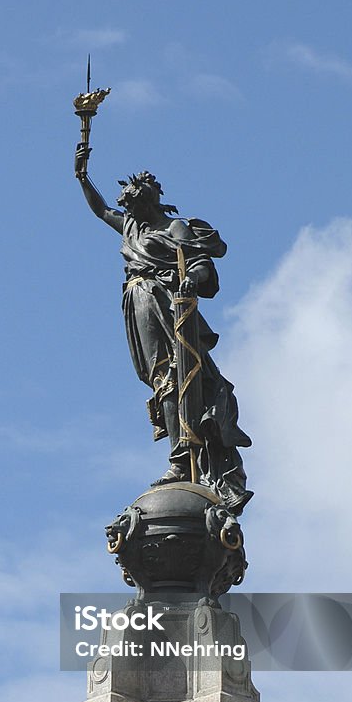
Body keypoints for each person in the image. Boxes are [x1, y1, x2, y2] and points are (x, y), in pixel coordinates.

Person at [75, 145, 252, 515]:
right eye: (127, 206)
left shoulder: (173, 228)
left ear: (149, 201)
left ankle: (182, 456)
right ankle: (179, 455)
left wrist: (189, 280)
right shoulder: (131, 225)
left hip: (164, 298)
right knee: (160, 378)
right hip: (136, 299)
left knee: (178, 374)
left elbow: (201, 263)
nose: (128, 212)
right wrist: (82, 176)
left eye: (133, 204)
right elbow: (100, 209)